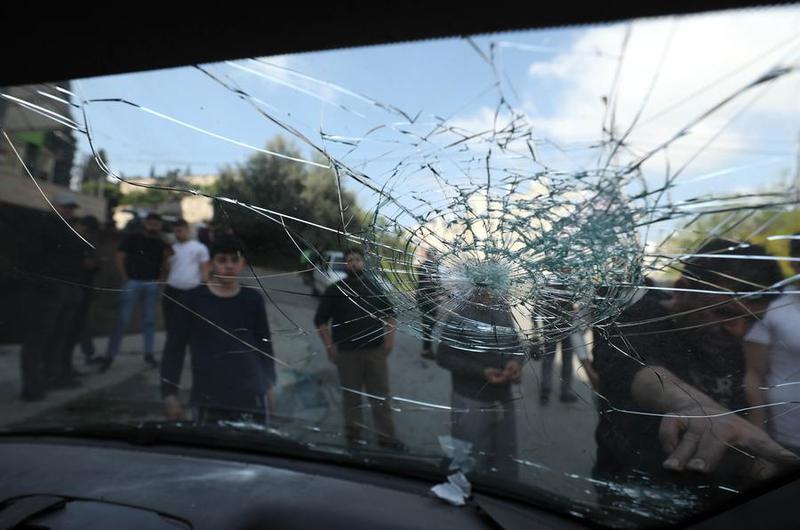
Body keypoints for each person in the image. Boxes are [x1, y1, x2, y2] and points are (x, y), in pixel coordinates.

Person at [591, 239, 799, 506]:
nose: (738, 330)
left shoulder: (727, 340)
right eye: (724, 312)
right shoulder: (637, 318)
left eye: (750, 320)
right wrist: (695, 406)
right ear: (682, 289)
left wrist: (757, 452)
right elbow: (634, 368)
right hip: (635, 494)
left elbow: (747, 387)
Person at [160, 236, 276, 423]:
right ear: (211, 263)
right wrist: (170, 395)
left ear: (242, 263)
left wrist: (270, 387)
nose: (229, 266)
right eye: (222, 260)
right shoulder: (192, 300)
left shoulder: (253, 299)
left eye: (234, 260)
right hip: (207, 397)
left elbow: (264, 346)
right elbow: (174, 349)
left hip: (250, 396)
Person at [313, 247, 403, 450]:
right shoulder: (335, 290)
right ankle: (354, 437)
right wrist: (329, 346)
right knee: (351, 397)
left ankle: (387, 438)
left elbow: (391, 314)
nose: (353, 263)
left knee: (380, 396)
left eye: (357, 259)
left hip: (375, 352)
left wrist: (389, 341)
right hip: (346, 354)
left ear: (363, 263)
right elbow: (320, 321)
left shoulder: (374, 288)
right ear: (345, 264)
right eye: (349, 260)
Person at [436, 288, 523, 478]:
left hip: (503, 398)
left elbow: (516, 345)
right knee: (467, 461)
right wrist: (481, 372)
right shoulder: (460, 313)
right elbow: (443, 356)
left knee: (502, 459)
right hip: (470, 399)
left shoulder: (502, 310)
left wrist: (516, 363)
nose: (490, 292)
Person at [18, 192, 86, 399]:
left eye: (70, 208)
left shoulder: (67, 229)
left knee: (56, 336)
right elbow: (31, 257)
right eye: (65, 207)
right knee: (38, 338)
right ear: (54, 206)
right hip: (46, 290)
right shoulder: (43, 227)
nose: (68, 211)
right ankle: (33, 386)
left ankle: (49, 377)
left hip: (62, 288)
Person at [744, 234, 800, 454]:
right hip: (786, 433)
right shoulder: (773, 308)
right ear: (793, 262)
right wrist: (759, 437)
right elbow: (754, 373)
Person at [99, 212, 170, 372]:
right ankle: (110, 355)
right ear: (145, 223)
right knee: (122, 320)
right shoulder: (132, 238)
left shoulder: (161, 243)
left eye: (156, 224)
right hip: (132, 282)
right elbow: (119, 257)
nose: (153, 226)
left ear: (160, 226)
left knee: (149, 320)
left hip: (151, 283)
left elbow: (165, 262)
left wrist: (160, 279)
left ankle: (149, 354)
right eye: (150, 223)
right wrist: (125, 277)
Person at [162, 219, 210, 372]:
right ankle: (174, 362)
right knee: (172, 328)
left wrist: (204, 290)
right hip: (172, 290)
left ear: (187, 230)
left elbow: (205, 269)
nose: (178, 233)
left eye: (180, 230)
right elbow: (167, 269)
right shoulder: (172, 248)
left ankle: (198, 361)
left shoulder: (199, 247)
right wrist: (166, 257)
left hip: (192, 292)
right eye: (175, 230)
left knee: (194, 328)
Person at [417, 248, 442, 360]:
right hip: (429, 300)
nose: (437, 257)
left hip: (425, 299)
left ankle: (427, 349)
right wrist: (437, 294)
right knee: (428, 325)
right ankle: (426, 350)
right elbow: (429, 283)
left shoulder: (424, 266)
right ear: (432, 255)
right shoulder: (429, 267)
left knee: (428, 325)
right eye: (436, 255)